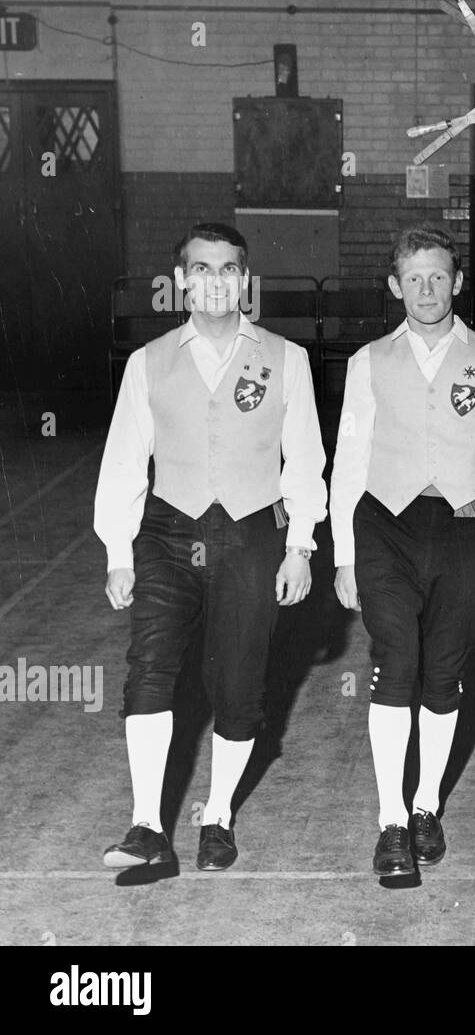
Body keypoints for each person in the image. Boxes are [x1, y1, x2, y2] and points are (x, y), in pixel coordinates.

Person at [96, 222, 327, 872]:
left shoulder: (286, 358)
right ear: (182, 281)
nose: (217, 280)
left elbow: (305, 457)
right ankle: (146, 825)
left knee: (239, 683)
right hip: (170, 531)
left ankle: (218, 815)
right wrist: (118, 548)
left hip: (253, 530)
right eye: (203, 269)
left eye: (229, 269)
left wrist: (302, 544)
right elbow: (122, 463)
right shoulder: (149, 362)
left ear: (245, 280)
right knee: (149, 667)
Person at [330, 225, 475, 877]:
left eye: (438, 276)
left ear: (459, 281)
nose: (426, 288)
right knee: (396, 661)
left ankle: (424, 805)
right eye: (413, 277)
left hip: (465, 527)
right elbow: (349, 462)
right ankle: (390, 821)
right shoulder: (368, 361)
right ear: (395, 286)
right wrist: (341, 552)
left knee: (443, 675)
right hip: (385, 529)